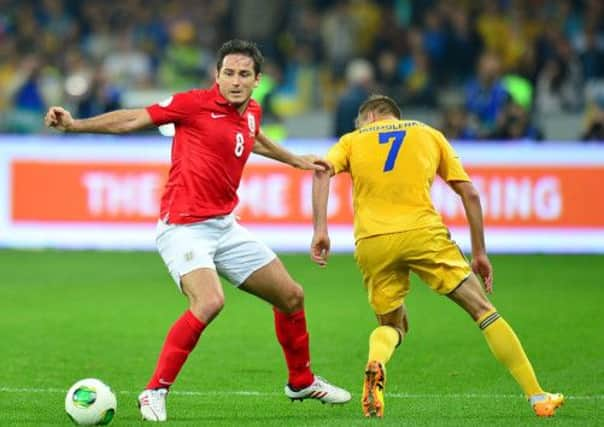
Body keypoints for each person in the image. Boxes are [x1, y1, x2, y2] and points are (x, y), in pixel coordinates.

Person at [44, 39, 351, 422]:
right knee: (209, 301)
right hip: (183, 227)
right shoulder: (192, 104)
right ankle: (154, 390)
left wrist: (294, 160)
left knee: (291, 296)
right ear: (216, 75)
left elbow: (252, 136)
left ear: (257, 80)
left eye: (243, 74)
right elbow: (132, 118)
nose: (235, 81)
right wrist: (74, 125)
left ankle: (301, 381)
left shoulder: (252, 110)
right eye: (228, 73)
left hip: (224, 226)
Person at [310, 94, 563, 418]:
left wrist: (320, 230)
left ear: (370, 116)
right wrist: (480, 253)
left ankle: (377, 362)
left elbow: (320, 172)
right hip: (423, 235)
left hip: (373, 241)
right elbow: (469, 193)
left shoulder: (351, 140)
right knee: (482, 310)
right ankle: (537, 397)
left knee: (393, 325)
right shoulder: (429, 134)